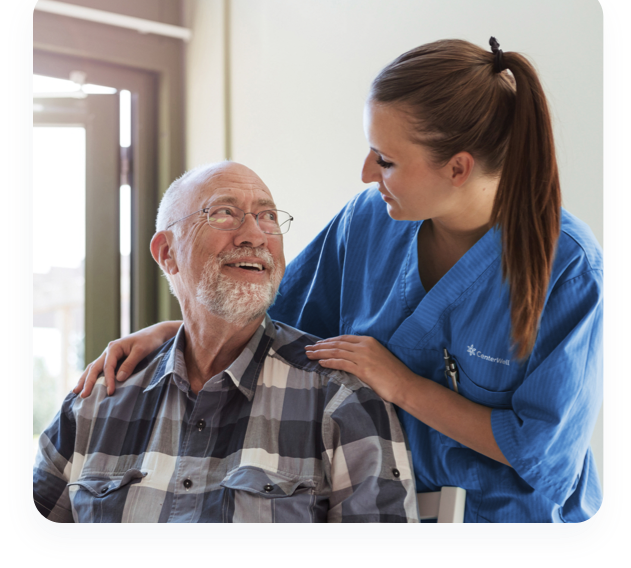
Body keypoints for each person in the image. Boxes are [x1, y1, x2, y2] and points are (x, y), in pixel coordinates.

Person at [75, 38, 604, 523]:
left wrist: (401, 384)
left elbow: (540, 448)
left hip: (511, 529)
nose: (367, 173)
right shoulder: (368, 221)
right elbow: (272, 318)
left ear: (458, 168)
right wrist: (179, 332)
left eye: (387, 160)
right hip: (382, 507)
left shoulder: (569, 266)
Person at [34, 162, 419, 523]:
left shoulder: (341, 398)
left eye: (268, 216)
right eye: (224, 213)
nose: (255, 235)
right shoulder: (95, 402)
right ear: (168, 253)